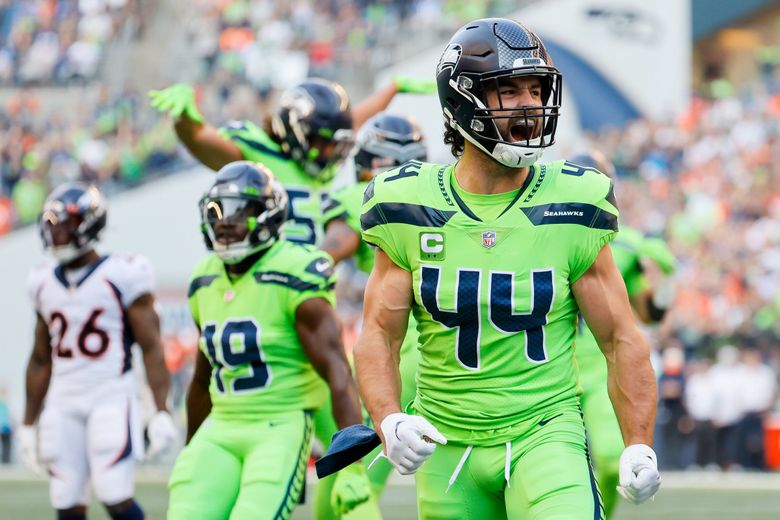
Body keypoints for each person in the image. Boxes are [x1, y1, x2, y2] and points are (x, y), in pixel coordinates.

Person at [353, 18, 661, 519]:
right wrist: (388, 418)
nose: (529, 105)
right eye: (509, 90)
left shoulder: (574, 200)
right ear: (462, 101)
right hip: (445, 442)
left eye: (536, 89)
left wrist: (638, 442)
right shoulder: (406, 203)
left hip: (545, 431)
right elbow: (379, 334)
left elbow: (621, 337)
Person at [167, 161, 365, 519]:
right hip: (221, 426)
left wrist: (354, 466)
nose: (225, 221)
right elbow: (202, 377)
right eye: (217, 210)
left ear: (268, 215)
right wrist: (191, 446)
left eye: (239, 211)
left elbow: (338, 372)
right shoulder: (204, 279)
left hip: (280, 424)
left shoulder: (295, 271)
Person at [21, 183, 175, 520]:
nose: (57, 232)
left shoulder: (123, 273)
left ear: (89, 224)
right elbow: (39, 357)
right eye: (52, 223)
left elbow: (151, 347)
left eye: (66, 223)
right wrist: (28, 423)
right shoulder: (42, 280)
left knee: (114, 493)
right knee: (65, 497)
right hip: (63, 399)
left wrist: (161, 409)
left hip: (110, 393)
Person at [149, 76, 435, 246]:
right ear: (296, 131)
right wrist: (184, 120)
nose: (331, 153)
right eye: (324, 144)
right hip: (268, 278)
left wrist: (392, 89)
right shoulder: (258, 154)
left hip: (312, 287)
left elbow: (347, 125)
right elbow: (201, 140)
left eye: (335, 144)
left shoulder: (322, 148)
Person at [316, 112, 428, 519]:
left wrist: (301, 265)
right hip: (442, 355)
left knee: (353, 485)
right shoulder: (438, 197)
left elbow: (332, 247)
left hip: (392, 356)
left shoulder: (363, 195)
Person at [569, 150, 676, 517]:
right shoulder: (539, 232)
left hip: (600, 371)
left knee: (616, 464)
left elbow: (651, 314)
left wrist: (667, 280)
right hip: (549, 368)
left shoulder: (626, 243)